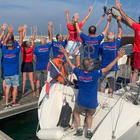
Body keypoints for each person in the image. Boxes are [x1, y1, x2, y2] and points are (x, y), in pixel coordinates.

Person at [59, 46, 125, 138]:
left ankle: (79, 129)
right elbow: (107, 68)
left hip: (81, 102)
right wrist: (118, 57)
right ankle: (89, 131)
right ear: (91, 66)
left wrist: (65, 53)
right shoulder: (95, 74)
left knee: (76, 113)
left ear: (83, 66)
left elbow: (70, 64)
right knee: (89, 115)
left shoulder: (79, 73)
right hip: (92, 104)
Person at [116, 1, 140, 83]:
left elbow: (125, 18)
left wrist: (119, 8)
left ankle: (132, 88)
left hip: (138, 53)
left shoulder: (137, 27)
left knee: (135, 72)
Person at [99, 16, 122, 94]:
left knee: (102, 85)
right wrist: (119, 22)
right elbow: (120, 33)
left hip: (104, 68)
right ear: (113, 37)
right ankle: (110, 97)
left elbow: (100, 53)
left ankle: (101, 97)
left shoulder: (103, 45)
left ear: (107, 37)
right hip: (112, 69)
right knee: (111, 85)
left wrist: (108, 21)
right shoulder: (116, 44)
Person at [2, 26, 23, 109]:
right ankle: (14, 102)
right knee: (15, 87)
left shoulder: (4, 51)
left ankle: (7, 102)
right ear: (13, 45)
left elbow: (3, 43)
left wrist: (8, 33)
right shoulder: (16, 51)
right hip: (14, 73)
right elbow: (20, 43)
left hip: (6, 73)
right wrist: (20, 33)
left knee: (7, 87)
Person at [33, 22, 52, 97]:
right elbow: (51, 39)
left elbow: (33, 57)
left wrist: (35, 62)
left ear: (40, 42)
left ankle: (38, 94)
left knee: (38, 80)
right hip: (46, 67)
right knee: (46, 81)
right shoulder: (47, 47)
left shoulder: (37, 48)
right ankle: (46, 93)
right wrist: (50, 30)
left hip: (38, 67)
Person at [21, 26, 36, 95]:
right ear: (28, 45)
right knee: (31, 79)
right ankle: (33, 91)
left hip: (24, 64)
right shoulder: (31, 49)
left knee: (24, 80)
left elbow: (21, 40)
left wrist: (24, 31)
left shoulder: (22, 50)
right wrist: (34, 32)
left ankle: (22, 92)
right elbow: (33, 40)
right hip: (30, 64)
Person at [0, 24, 7, 97]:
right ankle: (6, 94)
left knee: (4, 79)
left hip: (3, 64)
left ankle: (5, 94)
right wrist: (3, 30)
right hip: (5, 65)